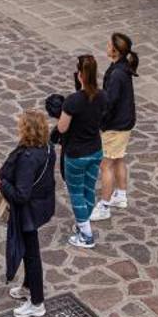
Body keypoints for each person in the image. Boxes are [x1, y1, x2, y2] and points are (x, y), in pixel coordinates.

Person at [0, 108, 57, 317]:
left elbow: (21, 194)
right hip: (42, 206)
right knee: (31, 252)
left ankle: (37, 302)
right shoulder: (48, 148)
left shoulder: (28, 158)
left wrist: (2, 185)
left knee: (31, 256)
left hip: (28, 212)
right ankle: (28, 288)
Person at [53, 54, 103, 249]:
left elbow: (62, 128)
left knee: (75, 193)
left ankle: (86, 234)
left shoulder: (73, 101)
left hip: (76, 154)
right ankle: (84, 223)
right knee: (89, 189)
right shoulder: (103, 96)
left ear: (80, 75)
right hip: (96, 150)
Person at [95, 33, 138, 217]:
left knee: (106, 165)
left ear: (115, 50)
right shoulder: (121, 68)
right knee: (118, 158)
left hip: (115, 126)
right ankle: (120, 195)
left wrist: (100, 122)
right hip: (124, 122)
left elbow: (109, 103)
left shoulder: (117, 74)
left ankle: (104, 206)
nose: (106, 46)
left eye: (108, 44)